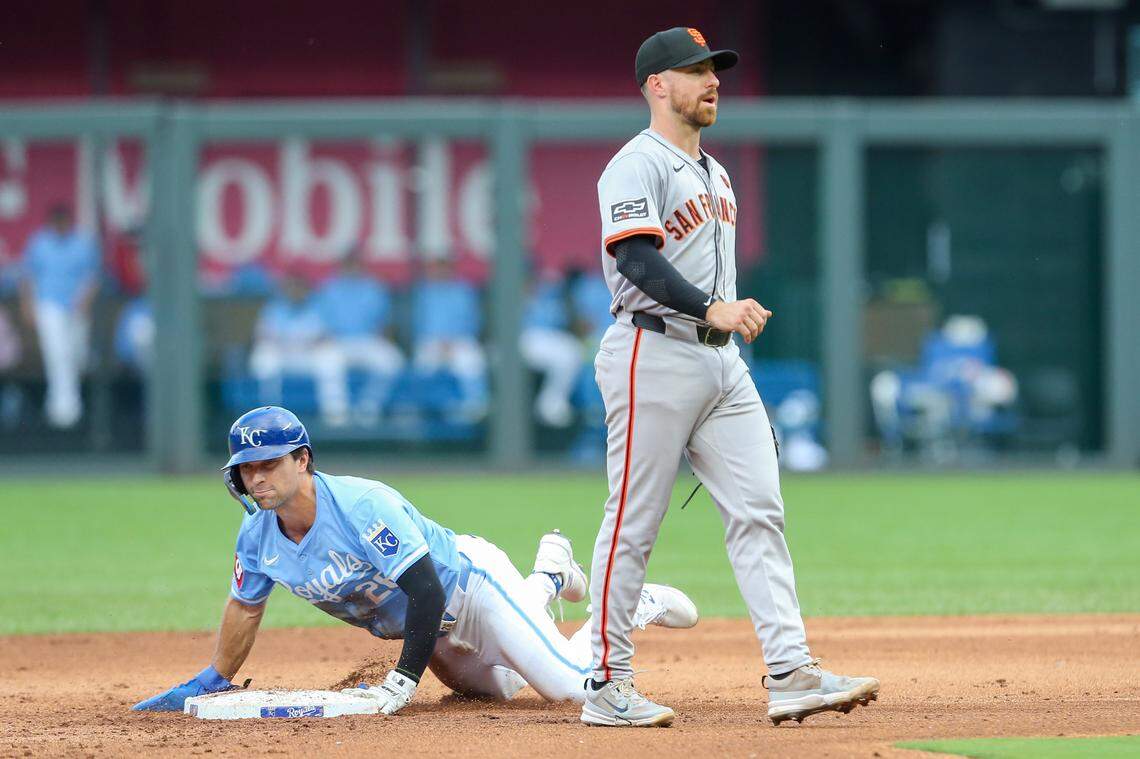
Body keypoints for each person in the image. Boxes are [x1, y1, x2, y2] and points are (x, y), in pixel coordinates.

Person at [583, 27, 879, 728]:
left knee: (759, 509)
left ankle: (791, 670)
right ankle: (605, 682)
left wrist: (720, 318)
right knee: (632, 523)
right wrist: (712, 305)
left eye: (715, 69)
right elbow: (635, 261)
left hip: (721, 361)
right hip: (649, 349)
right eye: (695, 71)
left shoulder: (714, 173)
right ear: (658, 85)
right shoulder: (637, 162)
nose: (713, 80)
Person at [131, 406, 698, 715]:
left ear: (302, 460)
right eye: (247, 469)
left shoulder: (359, 504)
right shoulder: (256, 537)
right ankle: (549, 575)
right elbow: (244, 609)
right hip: (434, 628)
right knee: (497, 692)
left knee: (570, 690)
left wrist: (402, 680)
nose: (256, 478)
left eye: (269, 464)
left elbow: (426, 590)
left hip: (468, 587)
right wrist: (211, 682)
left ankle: (634, 605)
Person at [18, 203, 100, 428]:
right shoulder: (39, 243)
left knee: (76, 356)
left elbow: (93, 276)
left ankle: (66, 405)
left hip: (76, 307)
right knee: (58, 354)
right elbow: (28, 276)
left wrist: (85, 300)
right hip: (49, 305)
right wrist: (28, 305)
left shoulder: (83, 244)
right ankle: (64, 410)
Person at [311, 251, 405, 424]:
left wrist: (385, 337)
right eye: (347, 263)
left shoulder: (373, 288)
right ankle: (337, 415)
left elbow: (384, 323)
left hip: (367, 340)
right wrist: (323, 336)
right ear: (341, 266)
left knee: (391, 361)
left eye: (354, 263)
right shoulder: (329, 289)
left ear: (360, 265)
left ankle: (368, 408)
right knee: (325, 363)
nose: (351, 267)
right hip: (337, 341)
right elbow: (320, 322)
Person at [249, 276, 351, 427]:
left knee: (330, 358)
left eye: (300, 290)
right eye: (292, 289)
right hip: (281, 355)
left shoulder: (317, 308)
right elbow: (262, 336)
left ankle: (335, 415)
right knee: (265, 358)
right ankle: (268, 418)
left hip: (308, 356)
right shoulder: (275, 309)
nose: (296, 293)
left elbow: (327, 336)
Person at [409, 257, 488, 421]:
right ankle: (419, 412)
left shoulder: (463, 291)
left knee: (472, 361)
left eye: (444, 267)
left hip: (460, 341)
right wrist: (438, 343)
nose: (440, 271)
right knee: (422, 366)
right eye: (437, 267)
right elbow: (418, 326)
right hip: (431, 343)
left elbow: (473, 323)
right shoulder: (424, 293)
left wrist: (452, 342)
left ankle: (476, 409)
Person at [520, 269, 582, 428]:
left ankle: (551, 403)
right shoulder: (510, 297)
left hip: (546, 339)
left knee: (572, 349)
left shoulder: (548, 295)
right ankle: (549, 405)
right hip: (521, 339)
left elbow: (562, 322)